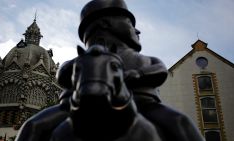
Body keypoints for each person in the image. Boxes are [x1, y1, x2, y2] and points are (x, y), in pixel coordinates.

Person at [74, 0, 204, 141]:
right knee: (46, 121)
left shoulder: (143, 59)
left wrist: (138, 74)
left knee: (181, 122)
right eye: (129, 24)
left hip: (146, 104)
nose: (137, 31)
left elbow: (160, 70)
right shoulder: (86, 59)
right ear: (104, 24)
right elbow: (63, 73)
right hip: (89, 108)